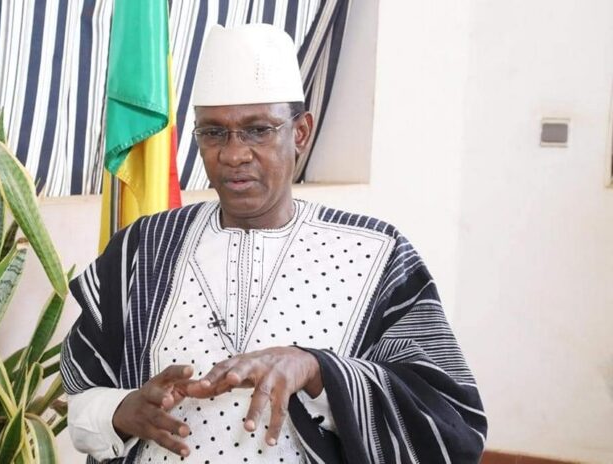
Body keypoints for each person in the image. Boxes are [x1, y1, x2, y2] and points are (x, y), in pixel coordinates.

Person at [61, 23, 487, 464]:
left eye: (258, 130)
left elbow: (451, 419)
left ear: (300, 133)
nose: (233, 154)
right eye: (213, 132)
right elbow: (80, 400)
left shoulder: (377, 254)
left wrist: (318, 371)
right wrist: (120, 411)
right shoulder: (143, 249)